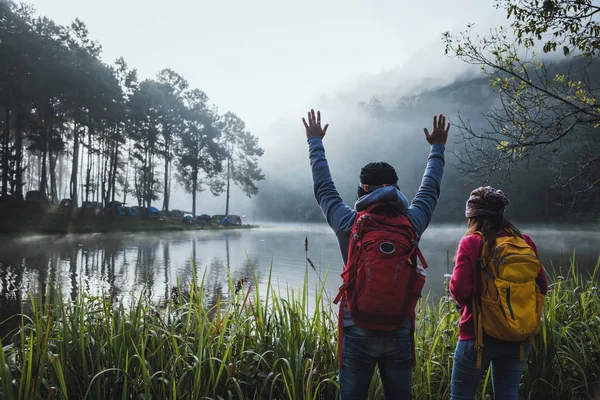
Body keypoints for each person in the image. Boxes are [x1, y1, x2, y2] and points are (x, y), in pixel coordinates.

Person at [302, 109, 449, 399]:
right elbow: (430, 189)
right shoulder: (412, 222)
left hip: (356, 326)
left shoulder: (348, 222)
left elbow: (324, 189)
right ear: (396, 189)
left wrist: (315, 142)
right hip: (399, 325)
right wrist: (438, 147)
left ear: (362, 191)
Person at [449, 186, 548, 400]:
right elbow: (542, 286)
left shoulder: (472, 242)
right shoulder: (524, 241)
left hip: (477, 335)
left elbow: (460, 290)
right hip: (519, 336)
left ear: (472, 216)